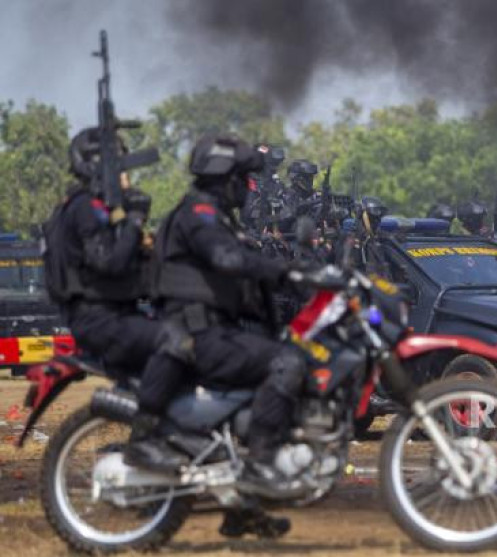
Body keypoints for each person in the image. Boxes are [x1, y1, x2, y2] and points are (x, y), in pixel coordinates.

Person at [153, 133, 308, 490]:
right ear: (226, 180)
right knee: (287, 363)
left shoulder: (218, 217)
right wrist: (283, 270)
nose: (247, 188)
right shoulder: (200, 213)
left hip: (212, 328)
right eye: (242, 180)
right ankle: (259, 469)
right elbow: (227, 259)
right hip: (197, 333)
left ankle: (243, 494)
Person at [44, 128, 192, 472]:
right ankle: (143, 443)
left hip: (108, 314)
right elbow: (109, 262)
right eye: (120, 166)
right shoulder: (85, 209)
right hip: (99, 319)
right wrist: (134, 220)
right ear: (99, 167)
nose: (127, 176)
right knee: (178, 342)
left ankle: (166, 443)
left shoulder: (92, 209)